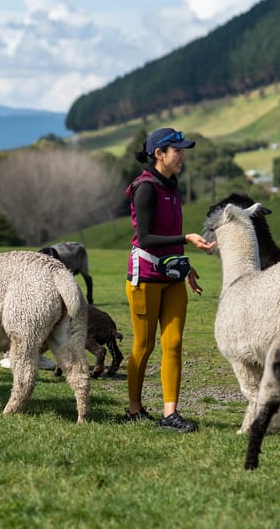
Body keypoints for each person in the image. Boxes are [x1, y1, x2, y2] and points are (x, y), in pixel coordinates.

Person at [123, 127, 215, 431]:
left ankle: (169, 414)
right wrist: (187, 238)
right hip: (145, 277)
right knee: (144, 344)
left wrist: (185, 267)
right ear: (159, 153)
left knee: (173, 343)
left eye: (183, 151)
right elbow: (147, 238)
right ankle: (134, 409)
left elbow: (168, 235)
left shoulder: (171, 185)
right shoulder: (145, 188)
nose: (182, 157)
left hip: (172, 276)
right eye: (178, 151)